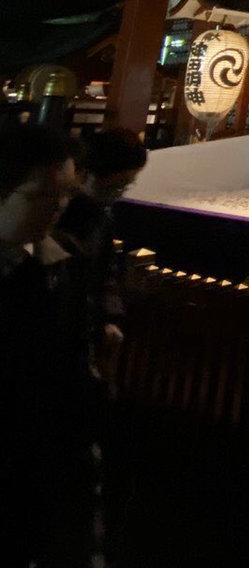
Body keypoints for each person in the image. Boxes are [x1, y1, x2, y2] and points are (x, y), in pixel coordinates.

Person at [0, 123, 103, 568]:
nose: (58, 207)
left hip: (32, 471)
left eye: (66, 194)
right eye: (42, 194)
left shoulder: (61, 267)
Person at [56, 128, 147, 386]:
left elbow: (106, 272)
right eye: (115, 185)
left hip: (83, 336)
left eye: (125, 186)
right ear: (86, 173)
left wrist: (108, 318)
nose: (119, 192)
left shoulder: (101, 217)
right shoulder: (60, 216)